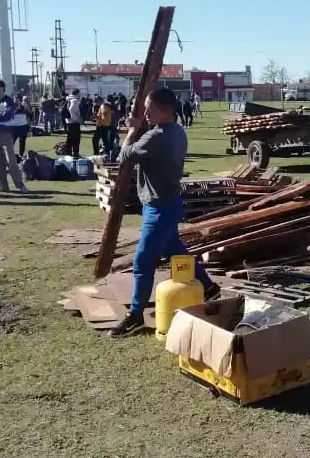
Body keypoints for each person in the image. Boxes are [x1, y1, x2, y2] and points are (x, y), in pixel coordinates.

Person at [108, 88, 216, 337]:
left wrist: (131, 131)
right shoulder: (177, 131)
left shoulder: (155, 137)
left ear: (164, 111)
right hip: (169, 203)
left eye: (149, 108)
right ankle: (209, 287)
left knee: (143, 260)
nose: (144, 113)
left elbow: (124, 156)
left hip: (158, 208)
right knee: (175, 250)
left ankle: (135, 315)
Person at [0, 79, 29, 193]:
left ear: (3, 88)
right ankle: (3, 185)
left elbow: (7, 115)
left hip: (6, 132)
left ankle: (20, 185)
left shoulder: (9, 101)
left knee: (10, 160)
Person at [10, 95, 31, 159]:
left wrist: (29, 128)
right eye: (15, 99)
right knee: (11, 142)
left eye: (17, 99)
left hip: (23, 127)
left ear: (20, 100)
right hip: (14, 127)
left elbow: (28, 118)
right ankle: (10, 155)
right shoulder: (11, 108)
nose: (16, 100)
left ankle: (21, 155)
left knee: (22, 142)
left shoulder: (24, 108)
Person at [65, 89, 83, 157]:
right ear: (77, 93)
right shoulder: (75, 101)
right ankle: (76, 152)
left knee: (70, 138)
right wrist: (76, 118)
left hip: (69, 121)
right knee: (76, 139)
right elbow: (71, 110)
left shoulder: (68, 99)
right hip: (74, 122)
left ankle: (68, 152)